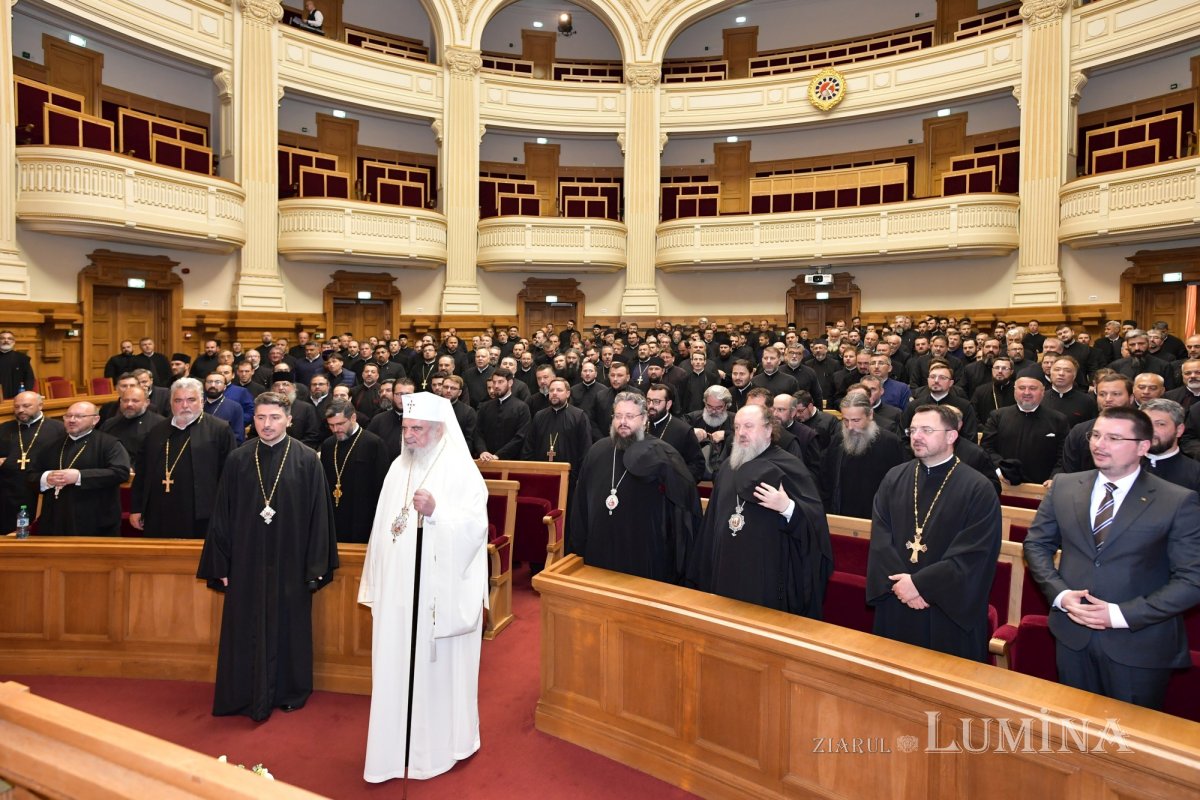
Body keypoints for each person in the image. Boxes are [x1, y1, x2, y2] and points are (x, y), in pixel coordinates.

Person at [1024, 407, 1200, 710]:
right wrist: (1060, 594)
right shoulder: (1065, 486)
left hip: (1139, 645)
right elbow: (1036, 545)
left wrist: (1121, 615)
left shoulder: (1177, 500)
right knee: (1074, 734)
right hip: (1072, 636)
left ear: (1142, 447)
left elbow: (1192, 579)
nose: (1099, 444)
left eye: (1114, 438)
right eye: (1096, 435)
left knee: (1127, 747)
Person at [359, 392, 488, 782]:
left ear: (438, 430)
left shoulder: (462, 471)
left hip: (437, 593)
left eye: (417, 429)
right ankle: (395, 746)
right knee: (397, 664)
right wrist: (378, 580)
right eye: (406, 428)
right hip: (400, 589)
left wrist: (437, 513)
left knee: (435, 673)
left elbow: (476, 528)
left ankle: (440, 747)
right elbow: (382, 531)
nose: (409, 435)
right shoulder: (399, 467)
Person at [197, 392, 339, 721]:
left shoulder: (306, 459)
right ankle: (241, 693)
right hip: (245, 561)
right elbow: (222, 514)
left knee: (290, 625)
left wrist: (314, 566)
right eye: (260, 418)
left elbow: (320, 516)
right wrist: (222, 564)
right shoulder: (238, 459)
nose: (267, 425)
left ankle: (290, 691)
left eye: (274, 418)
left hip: (291, 562)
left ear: (289, 419)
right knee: (243, 626)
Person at [866, 405, 1002, 661]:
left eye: (926, 430)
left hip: (947, 611)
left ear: (952, 436)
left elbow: (975, 554)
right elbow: (881, 539)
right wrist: (903, 585)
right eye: (913, 430)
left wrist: (921, 584)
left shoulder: (978, 488)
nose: (916, 436)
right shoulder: (894, 478)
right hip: (898, 601)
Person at [687, 404, 832, 618]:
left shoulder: (788, 466)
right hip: (724, 568)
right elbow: (712, 523)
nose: (741, 433)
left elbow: (815, 525)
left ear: (768, 430)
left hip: (766, 574)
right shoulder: (728, 467)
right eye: (737, 427)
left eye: (748, 426)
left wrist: (787, 508)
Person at [569, 392, 702, 583]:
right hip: (599, 551)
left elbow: (684, 506)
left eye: (630, 416)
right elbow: (580, 504)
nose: (623, 422)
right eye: (618, 416)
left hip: (643, 554)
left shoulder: (662, 454)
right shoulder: (597, 451)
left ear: (645, 419)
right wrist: (579, 547)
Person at [131, 377, 236, 539]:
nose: (185, 406)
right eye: (178, 400)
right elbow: (142, 473)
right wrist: (137, 508)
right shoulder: (156, 431)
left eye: (191, 400)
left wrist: (227, 512)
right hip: (158, 513)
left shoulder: (219, 430)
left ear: (201, 401)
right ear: (171, 403)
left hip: (200, 514)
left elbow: (230, 476)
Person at [32, 401, 131, 536]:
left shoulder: (109, 444)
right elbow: (30, 476)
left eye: (79, 416)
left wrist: (79, 476)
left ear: (95, 420)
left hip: (95, 519)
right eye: (68, 416)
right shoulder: (51, 445)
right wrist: (46, 478)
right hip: (56, 518)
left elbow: (121, 472)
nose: (72, 420)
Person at [819, 393, 905, 518]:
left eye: (856, 420)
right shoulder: (838, 440)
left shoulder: (890, 442)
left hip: (877, 517)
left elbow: (899, 487)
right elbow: (826, 479)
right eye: (846, 420)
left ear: (870, 415)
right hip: (842, 516)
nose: (850, 427)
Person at [319, 398, 390, 543]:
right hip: (334, 516)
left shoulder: (373, 443)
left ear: (353, 417)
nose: (336, 430)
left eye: (340, 424)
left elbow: (382, 487)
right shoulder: (328, 445)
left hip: (363, 517)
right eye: (331, 425)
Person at [980, 376, 1068, 486]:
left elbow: (1063, 454)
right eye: (1022, 388)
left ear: (1042, 392)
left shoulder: (1058, 420)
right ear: (1014, 391)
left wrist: (1055, 477)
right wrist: (1000, 470)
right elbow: (986, 447)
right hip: (1003, 484)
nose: (1027, 392)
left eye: (1033, 388)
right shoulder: (997, 416)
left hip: (1044, 486)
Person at [0, 391, 65, 532]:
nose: (21, 410)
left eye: (26, 406)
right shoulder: (4, 428)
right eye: (16, 407)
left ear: (40, 405)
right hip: (8, 490)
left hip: (41, 490)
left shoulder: (58, 428)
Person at [645, 383, 705, 482]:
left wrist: (677, 483)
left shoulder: (683, 430)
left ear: (668, 404)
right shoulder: (640, 426)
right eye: (648, 401)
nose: (651, 406)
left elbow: (697, 466)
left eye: (656, 402)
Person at [1139, 398, 1200, 494]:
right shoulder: (1124, 466)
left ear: (1179, 430)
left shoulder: (1196, 474)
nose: (1151, 430)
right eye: (1146, 423)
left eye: (1160, 424)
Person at [98, 383, 164, 464]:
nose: (129, 404)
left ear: (146, 402)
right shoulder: (109, 424)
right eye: (125, 400)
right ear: (120, 402)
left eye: (135, 401)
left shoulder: (160, 424)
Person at [475, 368, 530, 461]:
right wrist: (483, 451)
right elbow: (477, 433)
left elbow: (520, 437)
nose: (496, 386)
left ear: (510, 383)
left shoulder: (521, 407)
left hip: (511, 461)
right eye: (494, 382)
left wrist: (498, 455)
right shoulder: (485, 407)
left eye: (500, 382)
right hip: (485, 460)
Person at [0, 330, 35, 400]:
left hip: (18, 398)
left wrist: (25, 395)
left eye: (9, 338)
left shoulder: (22, 358)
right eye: (2, 338)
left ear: (14, 342)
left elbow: (29, 379)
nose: (6, 340)